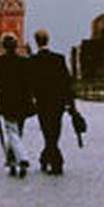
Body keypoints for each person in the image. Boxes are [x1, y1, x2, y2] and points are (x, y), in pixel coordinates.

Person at [29, 29, 76, 175]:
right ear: (48, 40)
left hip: (42, 101)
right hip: (58, 100)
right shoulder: (59, 58)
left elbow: (30, 83)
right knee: (55, 129)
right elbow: (66, 81)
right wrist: (70, 102)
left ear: (36, 42)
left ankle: (50, 158)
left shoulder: (33, 61)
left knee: (47, 130)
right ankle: (53, 160)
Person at [0, 34, 35, 178]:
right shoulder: (25, 62)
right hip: (22, 102)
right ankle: (11, 161)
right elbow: (29, 83)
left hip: (7, 101)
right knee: (17, 131)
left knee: (11, 132)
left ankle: (22, 158)